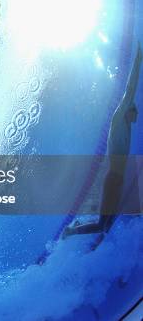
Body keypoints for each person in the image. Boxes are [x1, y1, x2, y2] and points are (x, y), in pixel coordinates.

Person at [63, 44, 141, 238]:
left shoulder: (127, 129)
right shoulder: (118, 122)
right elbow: (130, 88)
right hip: (113, 179)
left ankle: (81, 229)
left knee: (106, 225)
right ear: (128, 109)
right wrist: (139, 57)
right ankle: (70, 231)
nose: (137, 115)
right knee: (102, 225)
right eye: (135, 111)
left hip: (118, 180)